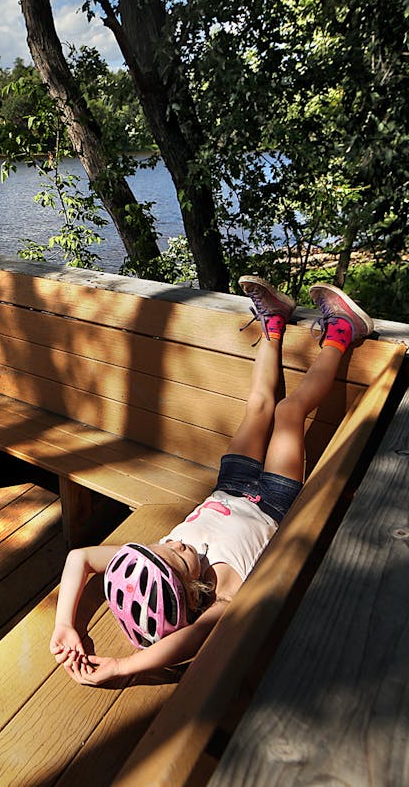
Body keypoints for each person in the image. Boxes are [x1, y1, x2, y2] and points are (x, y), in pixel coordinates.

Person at [49, 275, 373, 685]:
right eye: (180, 554)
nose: (175, 541)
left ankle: (273, 322)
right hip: (273, 500)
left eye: (164, 544)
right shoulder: (223, 597)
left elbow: (79, 558)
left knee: (257, 405)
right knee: (289, 412)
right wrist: (124, 666)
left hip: (230, 484)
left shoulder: (153, 559)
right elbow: (191, 642)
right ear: (190, 591)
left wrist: (65, 625)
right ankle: (343, 332)